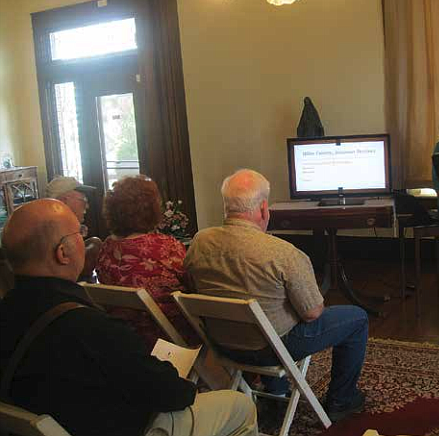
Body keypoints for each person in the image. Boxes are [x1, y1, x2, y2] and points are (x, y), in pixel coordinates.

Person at [0, 199, 257, 436]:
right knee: (240, 405)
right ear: (63, 253)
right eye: (80, 232)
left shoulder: (9, 311)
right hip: (125, 426)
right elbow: (172, 394)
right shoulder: (87, 326)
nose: (85, 239)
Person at [184, 169, 369, 422]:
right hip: (270, 348)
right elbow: (313, 312)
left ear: (226, 206)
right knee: (356, 318)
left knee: (270, 313)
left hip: (223, 345)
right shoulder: (284, 253)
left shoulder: (199, 242)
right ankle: (341, 400)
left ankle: (276, 397)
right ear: (263, 209)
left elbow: (193, 287)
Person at [96, 175, 199, 349]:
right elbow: (194, 285)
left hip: (124, 339)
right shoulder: (165, 247)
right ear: (150, 209)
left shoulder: (106, 248)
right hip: (170, 338)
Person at [46, 176, 103, 280]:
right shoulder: (52, 227)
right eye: (83, 200)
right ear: (64, 201)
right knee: (95, 244)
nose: (87, 206)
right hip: (62, 285)